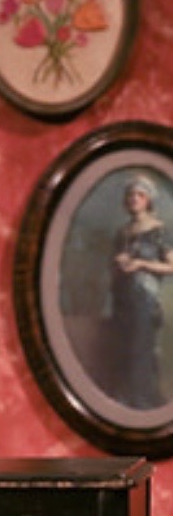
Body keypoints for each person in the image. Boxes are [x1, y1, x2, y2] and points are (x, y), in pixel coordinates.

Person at [109, 173, 173, 409]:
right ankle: (125, 403)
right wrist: (120, 263)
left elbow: (172, 266)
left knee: (140, 352)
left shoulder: (159, 230)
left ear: (148, 200)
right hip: (122, 299)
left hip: (145, 301)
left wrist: (142, 264)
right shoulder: (122, 233)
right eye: (131, 194)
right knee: (122, 349)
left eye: (140, 194)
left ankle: (142, 403)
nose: (134, 198)